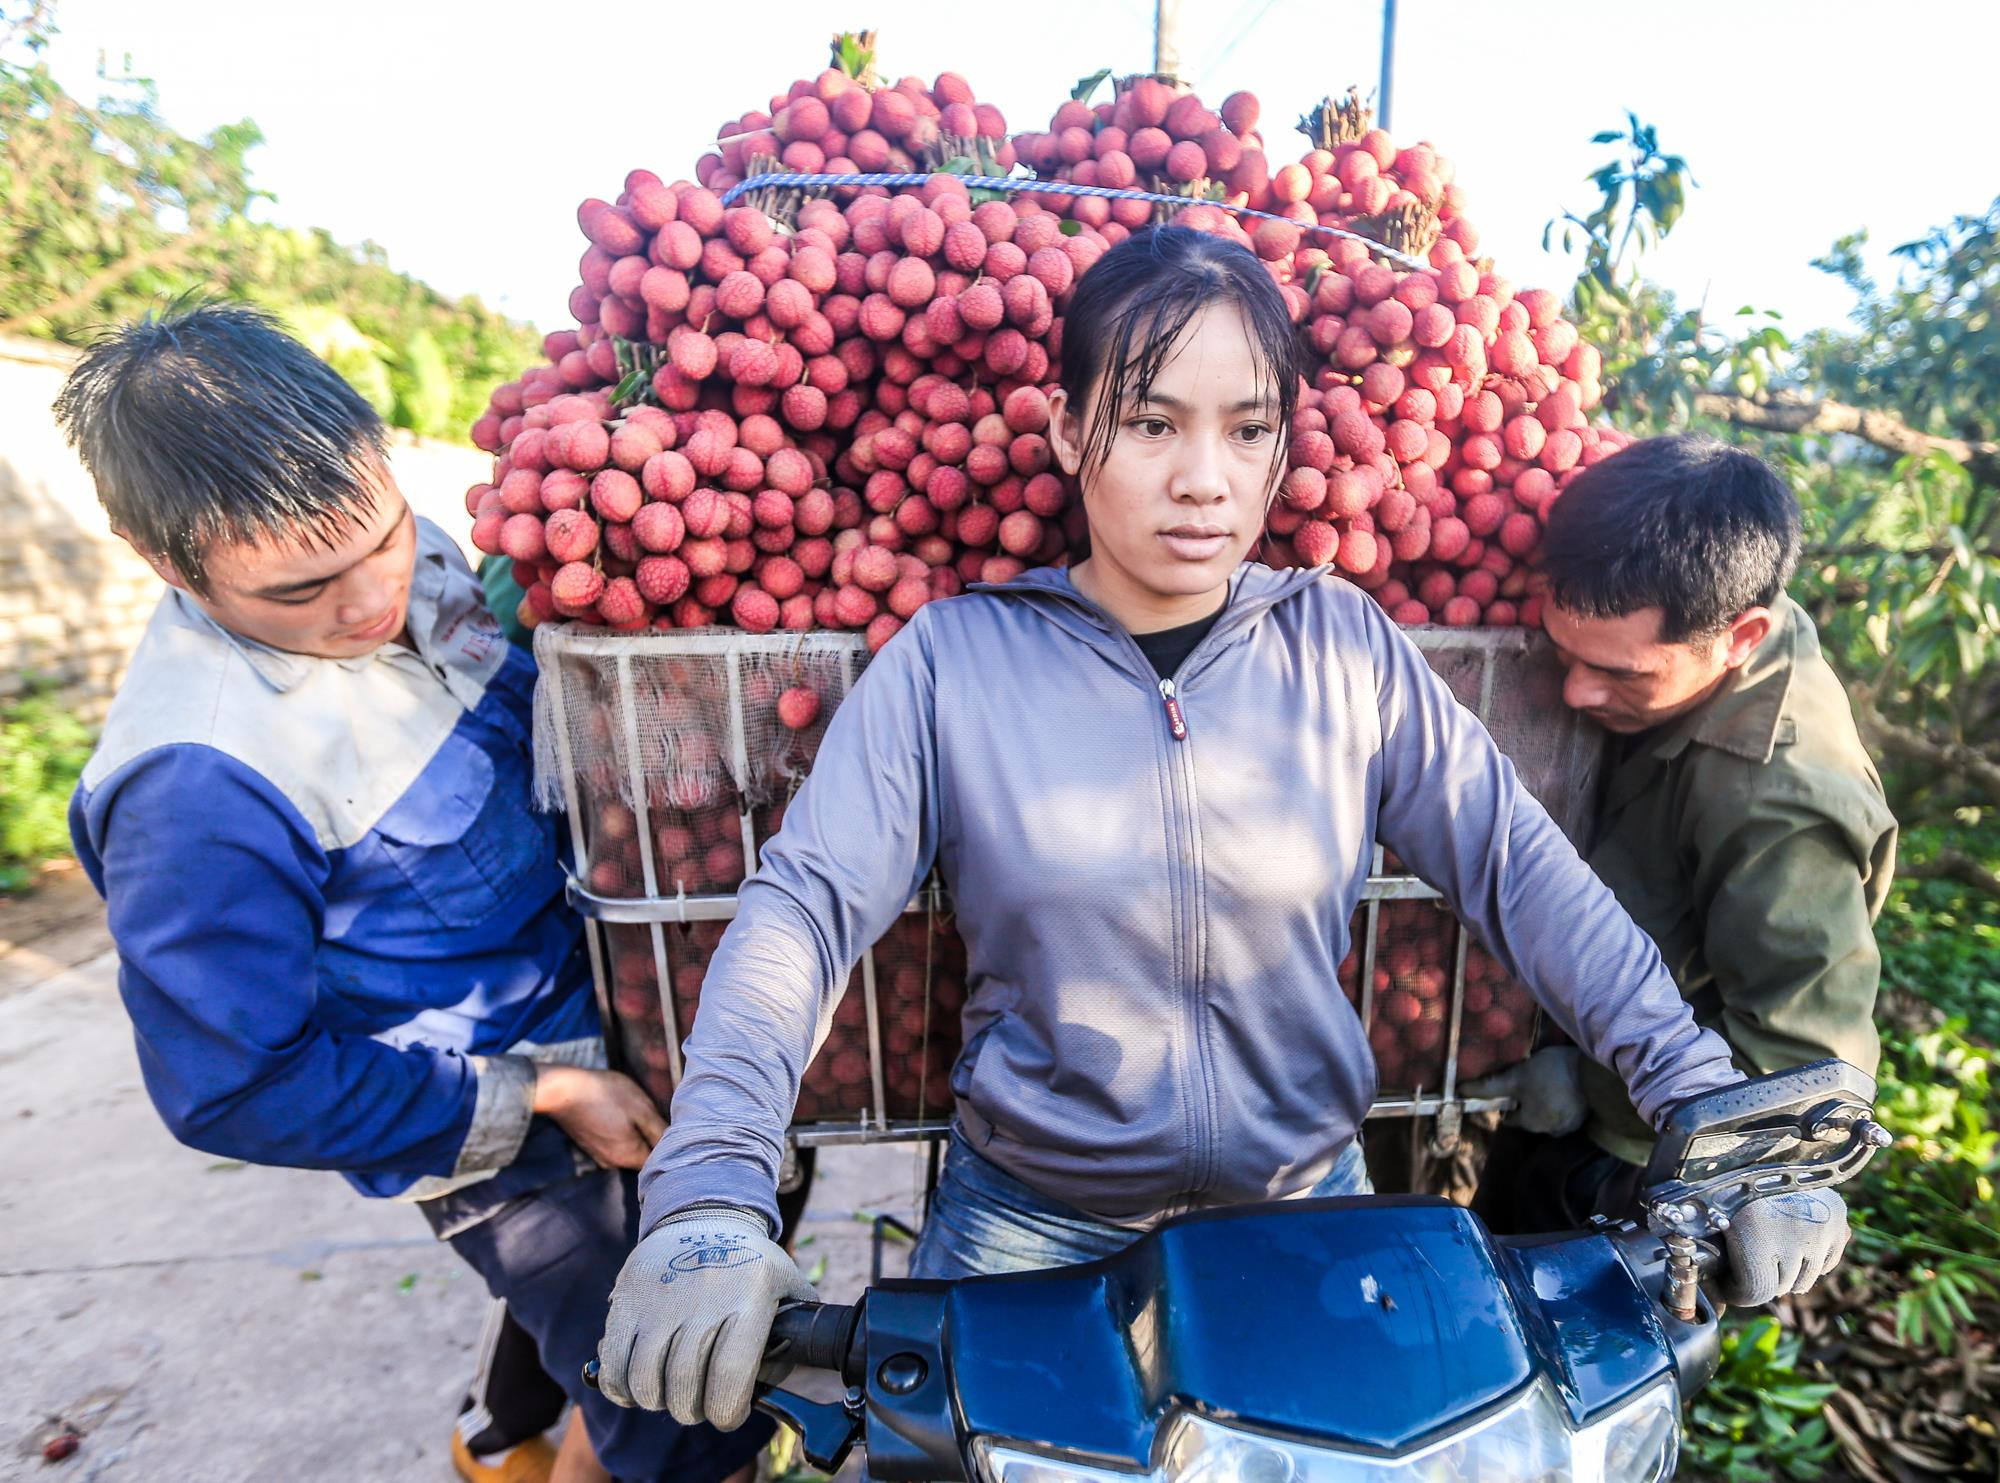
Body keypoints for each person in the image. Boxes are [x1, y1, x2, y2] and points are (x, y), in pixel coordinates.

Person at [592, 226, 1852, 1429]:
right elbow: (802, 912)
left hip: (1305, 1214)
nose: (1206, 478)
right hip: (1029, 1227)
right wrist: (709, 1193)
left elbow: (1522, 872)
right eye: (1150, 423)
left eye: (1246, 429)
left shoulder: (1341, 645)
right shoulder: (953, 661)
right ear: (1068, 427)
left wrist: (1709, 1105)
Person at [56, 303, 769, 1483]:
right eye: (300, 593)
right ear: (161, 560)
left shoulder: (415, 552)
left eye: (381, 537)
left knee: (650, 1320)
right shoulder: (199, 782)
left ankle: (513, 1437)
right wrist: (543, 1093)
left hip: (612, 1024)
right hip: (508, 1143)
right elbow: (231, 1086)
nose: (369, 598)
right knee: (685, 1402)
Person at [1467, 435, 1896, 1234]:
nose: (1576, 690)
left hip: (1635, 1169)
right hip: (1577, 1084)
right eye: (1565, 652)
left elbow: (1802, 1065)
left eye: (1621, 674)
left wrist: (1610, 1104)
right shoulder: (1693, 595)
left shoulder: (1779, 800)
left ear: (1741, 637)